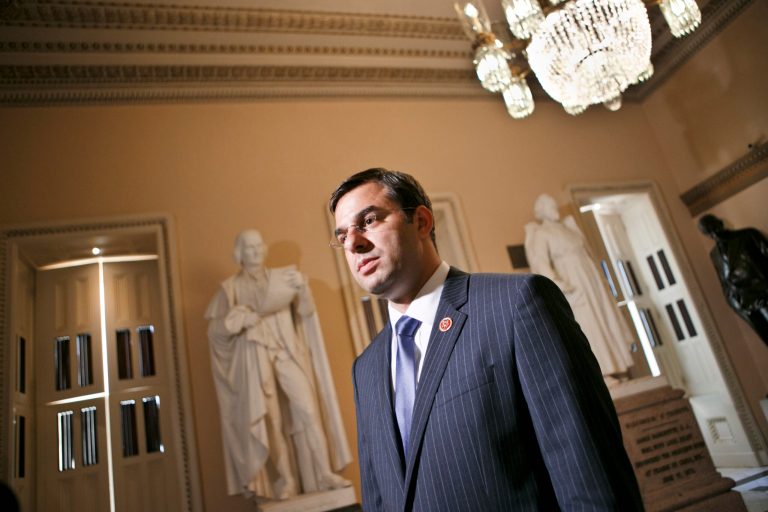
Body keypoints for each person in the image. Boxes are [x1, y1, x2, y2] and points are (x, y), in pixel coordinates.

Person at [329, 168, 643, 511]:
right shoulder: (367, 368)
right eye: (342, 235)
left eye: (369, 220)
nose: (353, 243)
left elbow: (589, 473)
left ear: (420, 222)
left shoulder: (516, 305)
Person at [205, 230, 351, 499]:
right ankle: (287, 480)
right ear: (239, 253)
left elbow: (306, 312)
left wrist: (304, 288)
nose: (256, 251)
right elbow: (216, 331)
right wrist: (237, 320)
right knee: (271, 420)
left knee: (308, 409)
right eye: (249, 247)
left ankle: (323, 473)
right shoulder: (231, 288)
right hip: (256, 358)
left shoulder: (282, 278)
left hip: (286, 354)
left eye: (259, 245)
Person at [524, 193, 635, 379]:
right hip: (573, 283)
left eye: (554, 205)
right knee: (588, 324)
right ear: (541, 211)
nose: (555, 209)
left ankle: (617, 366)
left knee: (603, 318)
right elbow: (541, 263)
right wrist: (558, 283)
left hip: (590, 280)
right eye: (550, 206)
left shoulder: (568, 229)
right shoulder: (542, 234)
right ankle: (602, 372)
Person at [698, 214, 768, 345]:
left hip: (763, 294)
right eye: (708, 231)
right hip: (744, 305)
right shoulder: (714, 256)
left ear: (720, 223)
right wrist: (735, 304)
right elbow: (725, 284)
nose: (713, 232)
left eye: (713, 227)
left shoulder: (748, 235)